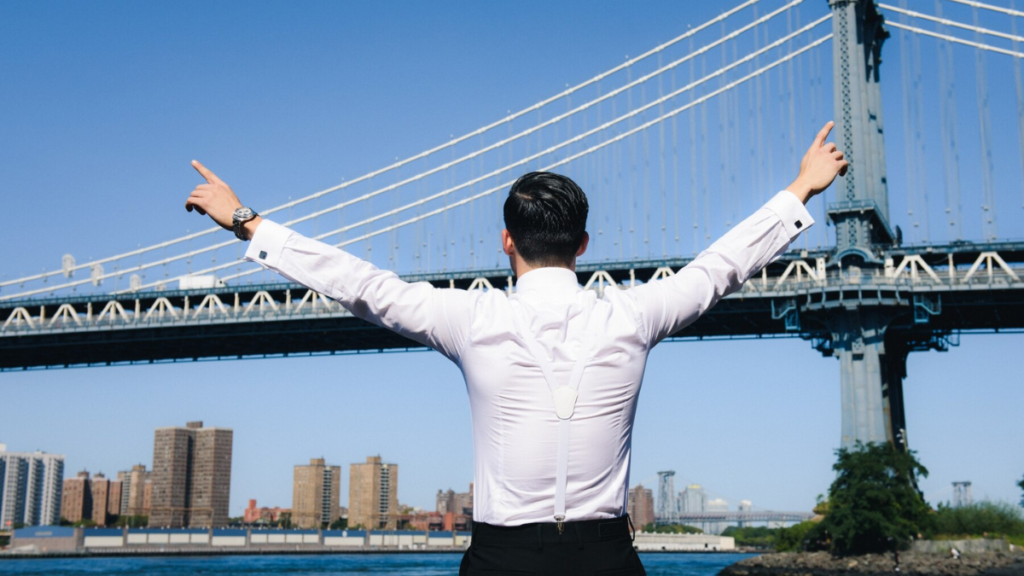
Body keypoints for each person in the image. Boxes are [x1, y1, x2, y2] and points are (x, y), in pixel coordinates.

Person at [185, 122, 847, 575]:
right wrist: (801, 188)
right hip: (607, 559)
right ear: (584, 244)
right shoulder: (635, 313)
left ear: (507, 240)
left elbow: (361, 284)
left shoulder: (466, 318)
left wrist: (247, 220)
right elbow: (719, 268)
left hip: (503, 561)